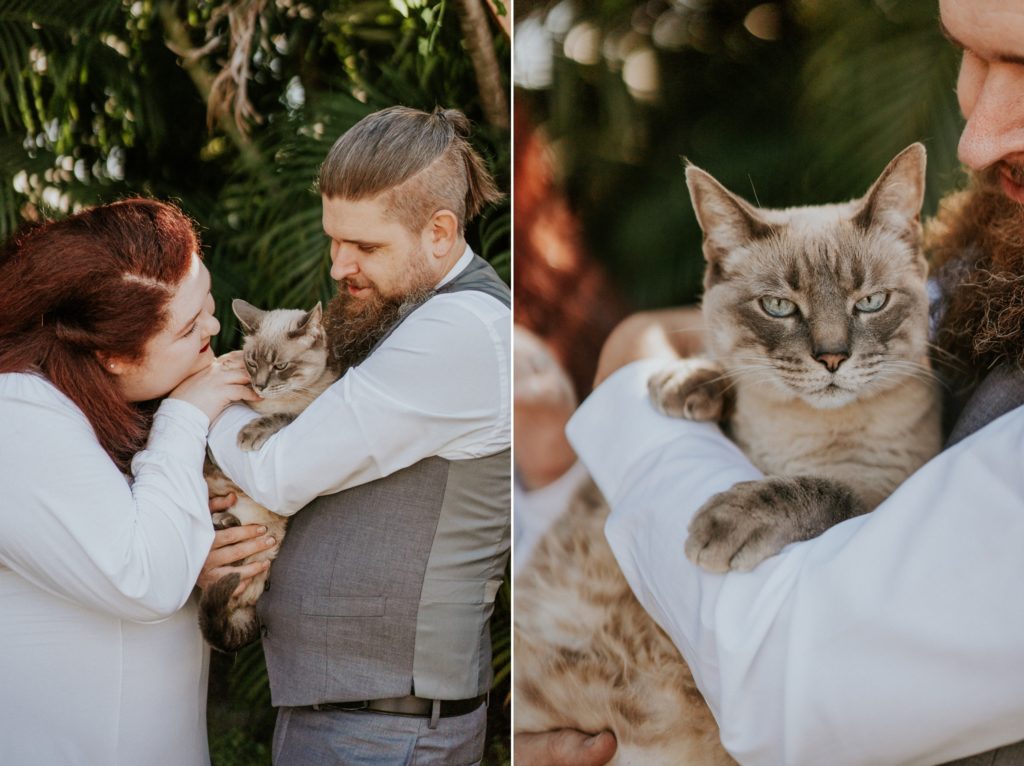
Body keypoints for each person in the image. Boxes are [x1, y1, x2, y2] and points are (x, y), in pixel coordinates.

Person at [520, 0, 1024, 764]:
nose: (978, 139)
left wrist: (630, 394)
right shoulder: (990, 252)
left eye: (1022, 66)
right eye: (971, 54)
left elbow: (803, 679)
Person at [206, 106, 511, 764]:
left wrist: (208, 402)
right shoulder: (416, 317)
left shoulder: (457, 332)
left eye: (365, 247)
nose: (339, 265)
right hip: (367, 723)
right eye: (333, 240)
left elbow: (282, 472)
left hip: (385, 732)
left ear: (439, 232)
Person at [0, 199, 279, 765]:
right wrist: (187, 413)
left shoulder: (101, 400)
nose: (215, 327)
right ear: (113, 355)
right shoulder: (18, 410)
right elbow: (141, 579)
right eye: (189, 328)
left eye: (206, 302)